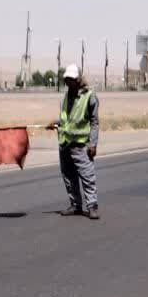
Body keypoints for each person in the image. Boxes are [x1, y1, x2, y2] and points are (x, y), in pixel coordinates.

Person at [46, 64, 100, 219]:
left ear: (78, 80)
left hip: (81, 145)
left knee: (87, 176)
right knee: (69, 177)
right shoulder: (66, 96)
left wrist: (93, 144)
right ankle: (75, 205)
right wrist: (55, 123)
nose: (68, 83)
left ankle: (92, 206)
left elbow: (94, 122)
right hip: (65, 143)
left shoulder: (89, 97)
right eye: (66, 80)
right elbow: (67, 120)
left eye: (70, 80)